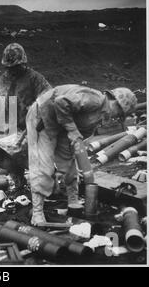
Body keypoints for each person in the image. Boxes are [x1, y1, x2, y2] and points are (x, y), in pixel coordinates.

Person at [26, 85, 138, 225]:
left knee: (69, 163)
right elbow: (61, 102)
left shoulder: (102, 114)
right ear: (115, 102)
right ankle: (37, 213)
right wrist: (72, 131)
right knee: (43, 164)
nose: (117, 117)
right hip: (43, 117)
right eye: (119, 113)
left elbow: (80, 130)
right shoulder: (95, 99)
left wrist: (75, 142)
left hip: (62, 124)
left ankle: (73, 202)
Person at [0, 42, 51, 133]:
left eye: (15, 67)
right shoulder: (2, 80)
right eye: (8, 67)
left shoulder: (35, 79)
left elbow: (48, 98)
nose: (12, 70)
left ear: (23, 63)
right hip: (7, 131)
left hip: (29, 132)